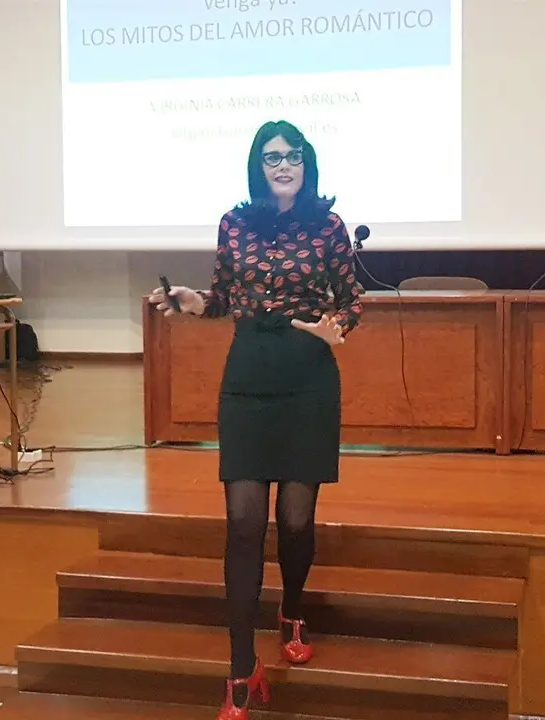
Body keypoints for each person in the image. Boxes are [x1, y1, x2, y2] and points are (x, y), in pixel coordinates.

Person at [148, 120, 363, 719]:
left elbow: (350, 301)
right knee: (244, 522)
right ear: (257, 166)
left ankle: (292, 608)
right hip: (247, 378)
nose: (283, 164)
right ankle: (241, 667)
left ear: (306, 163)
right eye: (272, 157)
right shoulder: (234, 224)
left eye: (292, 155)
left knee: (295, 518)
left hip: (308, 378)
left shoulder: (328, 226)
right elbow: (223, 297)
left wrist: (336, 327)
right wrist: (194, 302)